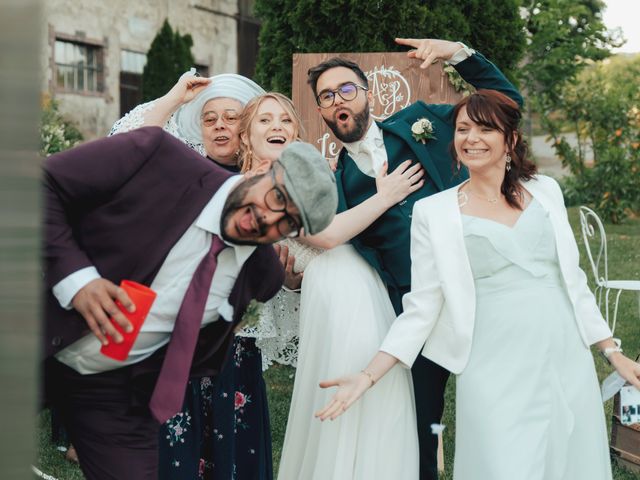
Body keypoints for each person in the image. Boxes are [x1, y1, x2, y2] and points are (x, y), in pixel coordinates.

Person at [316, 89, 640, 480]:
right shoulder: (433, 213)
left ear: (510, 140)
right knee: (503, 462)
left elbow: (573, 281)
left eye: (485, 129)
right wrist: (367, 376)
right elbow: (421, 309)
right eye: (463, 128)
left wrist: (611, 352)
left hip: (562, 350)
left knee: (569, 459)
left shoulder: (546, 191)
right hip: (491, 359)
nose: (471, 138)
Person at [42, 131, 338, 480]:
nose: (267, 219)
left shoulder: (262, 275)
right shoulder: (157, 157)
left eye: (287, 223)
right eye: (276, 197)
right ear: (263, 168)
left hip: (113, 394)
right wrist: (79, 281)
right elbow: (43, 184)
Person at [292, 37, 522, 480]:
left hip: (485, 290)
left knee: (499, 410)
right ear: (321, 112)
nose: (338, 100)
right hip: (415, 314)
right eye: (326, 96)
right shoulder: (335, 185)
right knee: (424, 427)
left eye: (346, 89)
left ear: (367, 94)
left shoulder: (421, 123)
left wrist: (458, 53)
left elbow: (506, 105)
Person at [111, 74, 282, 479]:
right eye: (210, 119)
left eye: (230, 117)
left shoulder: (269, 179)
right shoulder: (178, 169)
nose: (220, 125)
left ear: (246, 127)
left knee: (234, 442)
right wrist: (173, 98)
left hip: (236, 336)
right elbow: (126, 149)